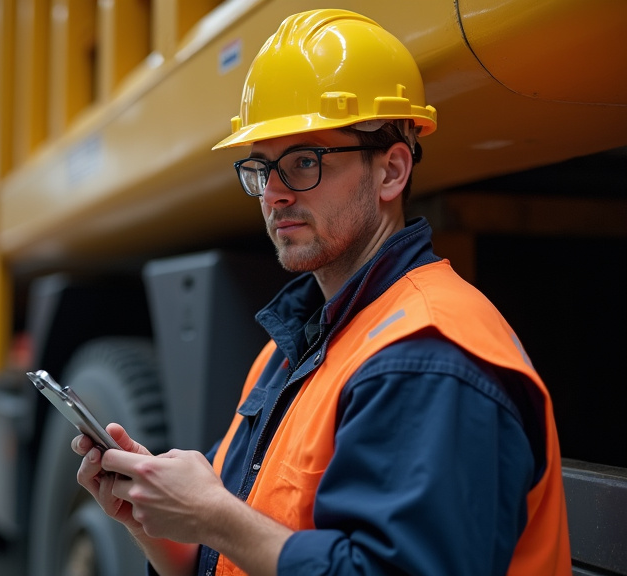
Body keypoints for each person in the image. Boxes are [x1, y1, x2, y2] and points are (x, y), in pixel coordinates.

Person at [73, 9, 570, 576]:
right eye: (262, 169)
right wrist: (157, 521)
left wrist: (212, 515)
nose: (275, 194)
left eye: (304, 162)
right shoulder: (291, 349)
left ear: (391, 172)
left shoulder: (428, 356)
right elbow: (237, 553)